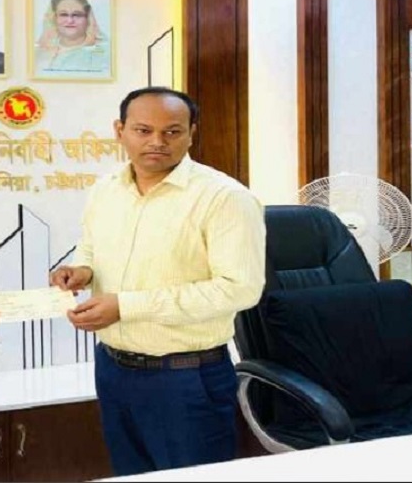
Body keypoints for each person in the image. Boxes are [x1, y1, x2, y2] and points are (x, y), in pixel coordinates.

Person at [49, 86, 266, 477]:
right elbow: (91, 247)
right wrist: (81, 269)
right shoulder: (106, 189)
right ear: (120, 131)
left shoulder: (224, 198)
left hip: (185, 378)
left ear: (191, 134)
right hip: (113, 369)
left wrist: (125, 306)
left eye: (172, 132)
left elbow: (240, 288)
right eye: (143, 130)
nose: (157, 142)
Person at [33, 0, 111, 78]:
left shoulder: (105, 53)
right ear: (54, 18)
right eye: (63, 14)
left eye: (77, 15)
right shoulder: (39, 52)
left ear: (88, 19)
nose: (70, 20)